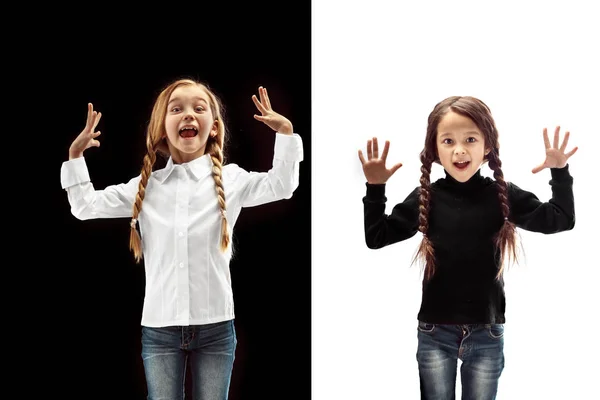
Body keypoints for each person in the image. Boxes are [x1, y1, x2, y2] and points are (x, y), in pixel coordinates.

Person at [61, 79, 304, 399]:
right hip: (159, 328)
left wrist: (285, 133)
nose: (188, 115)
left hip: (217, 327)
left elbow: (282, 186)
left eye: (198, 108)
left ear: (214, 127)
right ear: (162, 127)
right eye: (177, 109)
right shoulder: (145, 188)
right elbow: (84, 206)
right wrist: (75, 156)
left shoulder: (232, 180)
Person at [358, 96, 577, 400]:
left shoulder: (503, 195)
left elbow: (561, 219)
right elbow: (377, 236)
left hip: (486, 333)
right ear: (435, 150)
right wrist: (375, 188)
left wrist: (560, 173)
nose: (459, 150)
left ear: (487, 146)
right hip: (435, 333)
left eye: (470, 139)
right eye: (448, 141)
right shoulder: (426, 198)